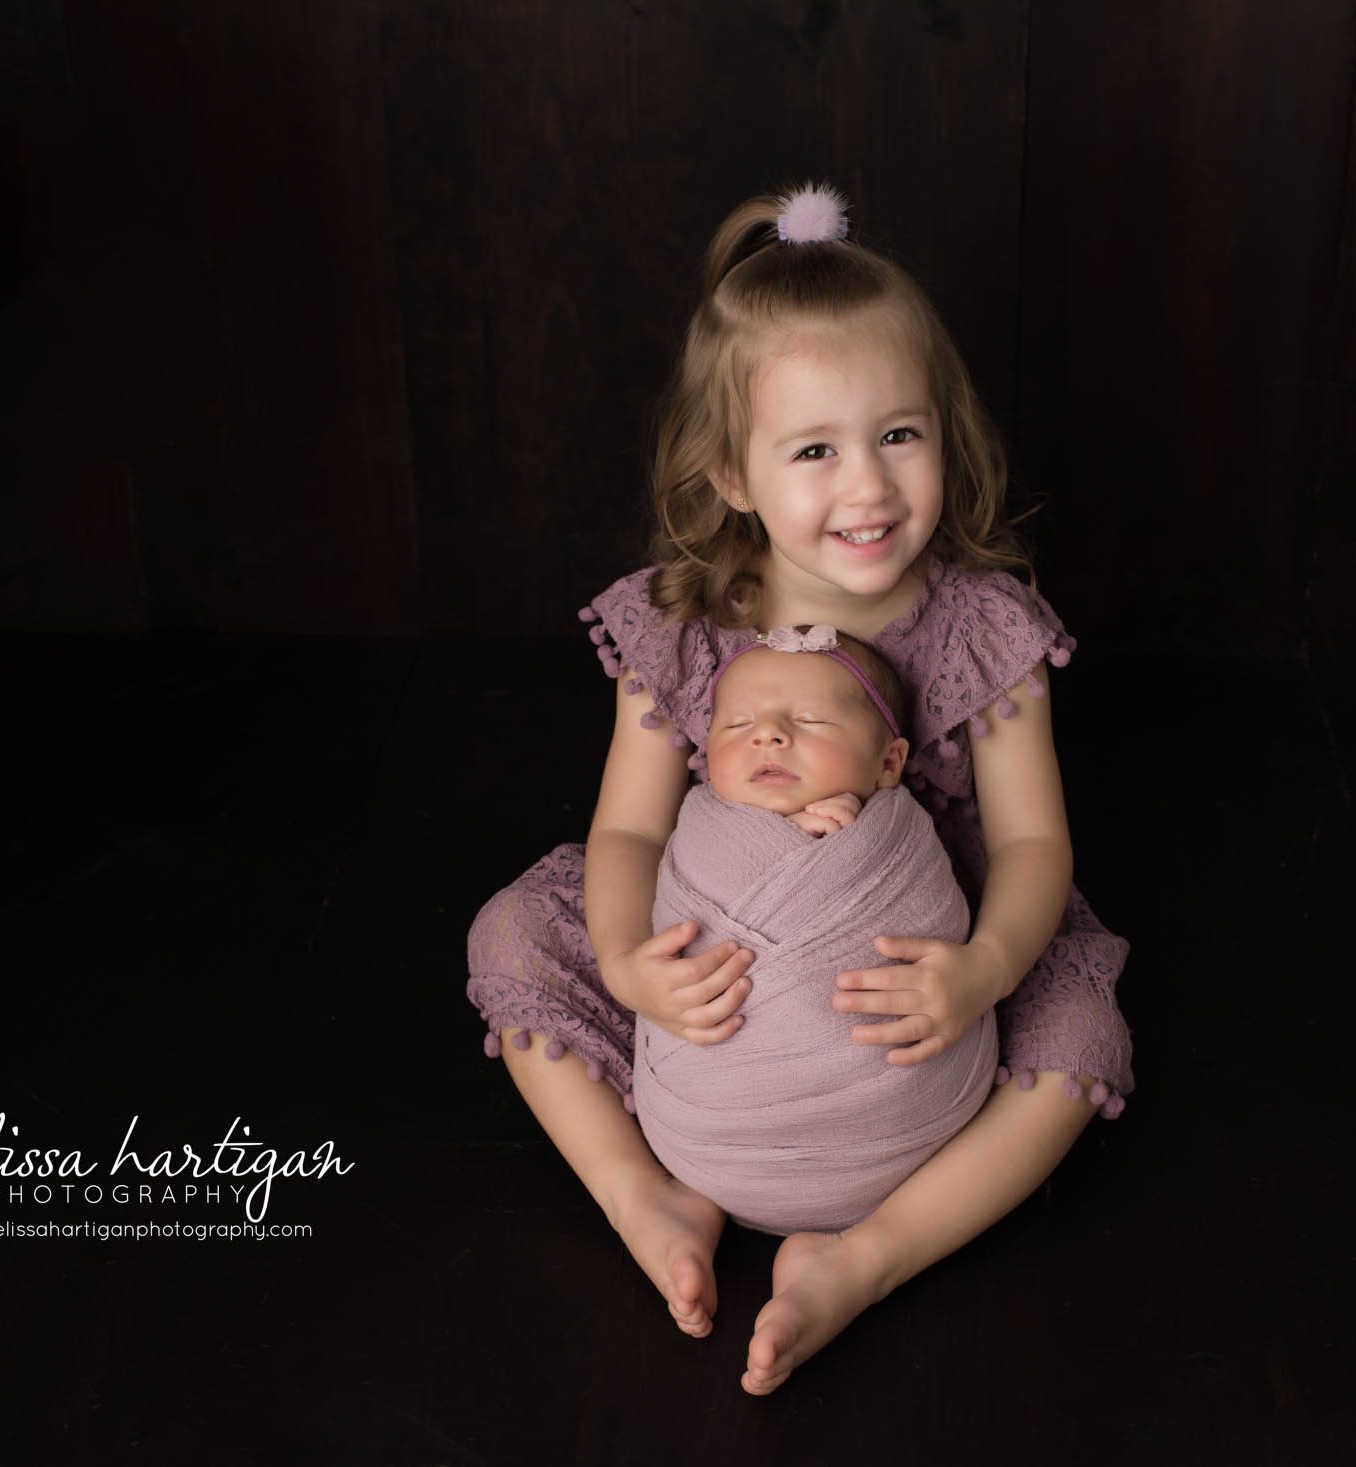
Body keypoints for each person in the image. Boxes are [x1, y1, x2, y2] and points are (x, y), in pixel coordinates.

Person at [466, 181, 1133, 1397]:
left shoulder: (982, 628)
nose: (867, 487)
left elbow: (1035, 846)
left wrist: (981, 970)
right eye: (815, 451)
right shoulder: (685, 626)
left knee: (1079, 1037)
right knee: (515, 928)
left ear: (945, 429)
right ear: (730, 473)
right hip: (713, 970)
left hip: (924, 970)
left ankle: (867, 1256)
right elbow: (625, 824)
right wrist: (625, 964)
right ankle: (644, 1196)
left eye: (899, 434)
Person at [634, 624, 998, 1238]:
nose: (769, 734)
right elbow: (672, 926)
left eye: (811, 720)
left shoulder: (897, 840)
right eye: (736, 724)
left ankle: (871, 1254)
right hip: (708, 1131)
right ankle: (641, 1198)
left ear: (889, 763)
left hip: (898, 1140)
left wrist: (852, 851)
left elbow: (935, 923)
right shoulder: (701, 828)